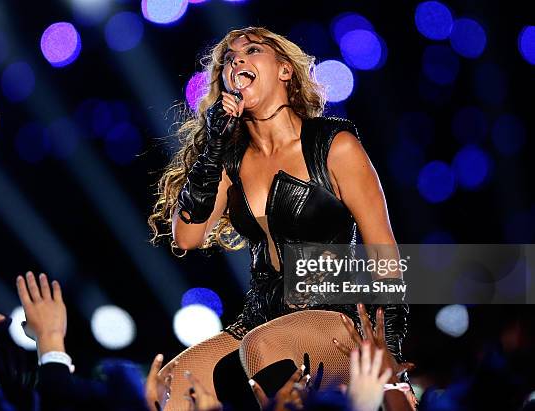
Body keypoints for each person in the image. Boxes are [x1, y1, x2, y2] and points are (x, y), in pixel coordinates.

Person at [148, 26, 410, 410]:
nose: (237, 60)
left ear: (285, 71)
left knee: (265, 346)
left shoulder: (334, 146)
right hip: (261, 317)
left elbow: (384, 252)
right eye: (228, 59)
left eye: (252, 50)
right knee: (166, 389)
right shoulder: (230, 160)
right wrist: (214, 146)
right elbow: (187, 237)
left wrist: (389, 352)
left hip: (335, 317)